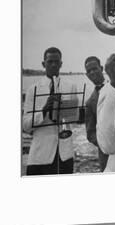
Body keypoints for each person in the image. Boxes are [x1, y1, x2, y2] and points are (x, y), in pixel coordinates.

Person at [22, 47, 79, 175]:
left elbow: (74, 118)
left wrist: (66, 111)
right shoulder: (33, 89)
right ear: (44, 64)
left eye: (56, 62)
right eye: (50, 62)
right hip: (40, 155)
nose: (53, 65)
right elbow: (25, 126)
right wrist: (44, 111)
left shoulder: (71, 86)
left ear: (61, 64)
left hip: (65, 154)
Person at [83, 56, 109, 172]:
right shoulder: (89, 103)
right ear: (87, 75)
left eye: (95, 68)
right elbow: (90, 132)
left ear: (102, 68)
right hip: (106, 155)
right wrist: (105, 143)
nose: (92, 72)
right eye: (89, 71)